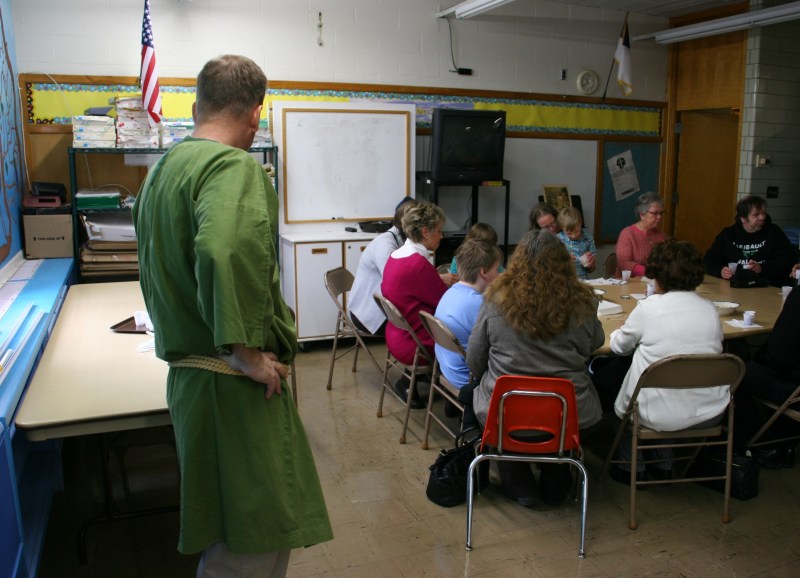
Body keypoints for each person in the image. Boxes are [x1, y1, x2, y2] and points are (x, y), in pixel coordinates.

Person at [132, 55, 332, 577]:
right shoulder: (232, 167)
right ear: (256, 114)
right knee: (250, 542)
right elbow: (221, 249)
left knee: (230, 532)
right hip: (231, 387)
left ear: (196, 107)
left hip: (194, 383)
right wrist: (244, 354)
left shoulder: (163, 172)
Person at [467, 230, 604, 506]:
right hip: (569, 414)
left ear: (518, 260)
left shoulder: (496, 299)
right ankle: (557, 476)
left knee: (483, 401)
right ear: (564, 263)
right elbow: (596, 342)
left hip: (507, 411)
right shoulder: (584, 301)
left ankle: (519, 482)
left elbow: (475, 359)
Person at [608, 239, 726, 484]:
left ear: (658, 276)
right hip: (710, 411)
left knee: (640, 386)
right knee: (673, 383)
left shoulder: (649, 308)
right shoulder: (709, 309)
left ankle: (631, 469)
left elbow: (619, 347)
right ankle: (664, 466)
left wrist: (620, 330)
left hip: (658, 412)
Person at [381, 201, 455, 407]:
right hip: (416, 344)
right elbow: (445, 304)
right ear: (425, 232)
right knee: (466, 338)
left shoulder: (396, 256)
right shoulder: (418, 265)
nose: (441, 236)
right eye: (439, 230)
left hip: (397, 334)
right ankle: (455, 400)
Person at [734, 265, 800, 463]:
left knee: (733, 372)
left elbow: (779, 358)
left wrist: (759, 357)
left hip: (793, 390)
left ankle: (765, 444)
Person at [435, 239, 502, 428]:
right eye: (496, 269)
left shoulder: (451, 293)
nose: (499, 274)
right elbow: (500, 344)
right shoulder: (477, 304)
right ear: (484, 272)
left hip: (448, 370)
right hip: (468, 379)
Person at [349, 198, 416, 334]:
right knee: (422, 323)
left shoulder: (400, 240)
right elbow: (397, 281)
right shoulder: (385, 244)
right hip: (368, 314)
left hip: (380, 307)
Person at [703, 195, 798, 287]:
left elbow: (788, 261)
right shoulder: (728, 234)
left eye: (763, 213)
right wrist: (720, 270)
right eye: (756, 214)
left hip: (767, 286)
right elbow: (708, 260)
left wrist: (762, 268)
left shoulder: (774, 232)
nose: (762, 217)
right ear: (743, 218)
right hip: (734, 285)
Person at [615, 192, 667, 277]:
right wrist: (649, 272)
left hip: (654, 281)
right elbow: (623, 263)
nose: (659, 217)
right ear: (642, 214)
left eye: (661, 213)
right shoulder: (627, 234)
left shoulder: (660, 235)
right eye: (655, 213)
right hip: (629, 282)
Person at [556, 206, 596, 280]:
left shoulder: (588, 239)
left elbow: (592, 269)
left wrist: (590, 264)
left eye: (577, 231)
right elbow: (552, 265)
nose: (574, 236)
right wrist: (565, 261)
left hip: (583, 280)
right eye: (569, 233)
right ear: (562, 228)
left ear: (580, 223)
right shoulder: (557, 239)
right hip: (563, 280)